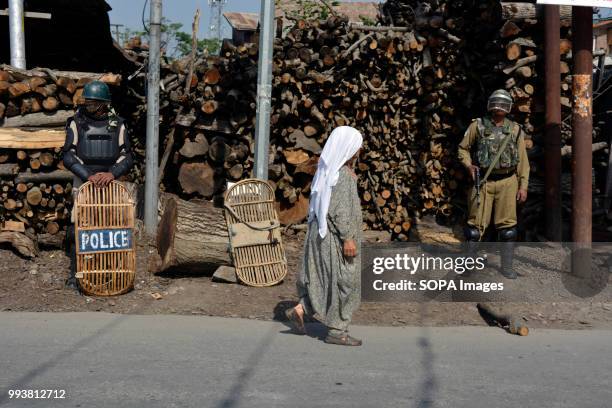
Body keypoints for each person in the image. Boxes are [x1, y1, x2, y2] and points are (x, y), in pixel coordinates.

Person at [285, 126, 364, 346]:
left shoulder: (326, 171)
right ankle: (337, 331)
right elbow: (339, 210)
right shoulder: (342, 175)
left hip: (320, 234)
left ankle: (301, 309)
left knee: (324, 279)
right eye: (357, 147)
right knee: (344, 282)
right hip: (336, 238)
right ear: (348, 148)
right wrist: (348, 238)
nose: (359, 151)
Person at [62, 81, 133, 290]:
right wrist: (88, 175)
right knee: (80, 226)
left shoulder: (118, 124)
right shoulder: (76, 122)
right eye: (88, 102)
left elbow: (128, 157)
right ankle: (78, 273)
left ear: (104, 104)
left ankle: (110, 270)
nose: (88, 106)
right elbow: (67, 155)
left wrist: (111, 174)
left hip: (109, 181)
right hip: (83, 180)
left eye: (93, 103)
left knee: (111, 225)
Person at [458, 89, 530, 279]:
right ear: (491, 105)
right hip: (483, 182)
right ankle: (469, 265)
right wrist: (468, 166)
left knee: (507, 230)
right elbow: (463, 149)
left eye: (503, 104)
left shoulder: (515, 129)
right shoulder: (478, 126)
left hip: (508, 182)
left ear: (508, 108)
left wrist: (523, 186)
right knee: (474, 230)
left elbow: (523, 161)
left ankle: (506, 267)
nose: (499, 107)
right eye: (496, 103)